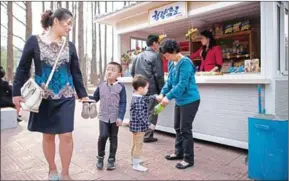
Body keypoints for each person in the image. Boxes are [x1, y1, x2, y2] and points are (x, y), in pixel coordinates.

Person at [12, 8, 89, 180]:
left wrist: (83, 95)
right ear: (55, 21)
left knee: (66, 135)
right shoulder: (34, 41)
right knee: (48, 135)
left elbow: (76, 72)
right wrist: (16, 92)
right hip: (43, 97)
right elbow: (23, 67)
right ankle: (52, 169)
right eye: (68, 23)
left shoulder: (69, 46)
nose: (70, 28)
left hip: (66, 95)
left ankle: (66, 173)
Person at [159, 39, 200, 169]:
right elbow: (170, 82)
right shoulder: (172, 63)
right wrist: (162, 93)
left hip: (190, 100)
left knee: (185, 129)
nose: (166, 58)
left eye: (167, 55)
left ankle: (188, 159)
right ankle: (178, 152)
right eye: (164, 56)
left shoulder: (185, 63)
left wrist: (168, 97)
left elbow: (181, 85)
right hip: (180, 100)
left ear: (175, 51)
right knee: (177, 128)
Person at [90, 62, 127, 170]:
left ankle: (111, 159)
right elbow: (95, 98)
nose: (109, 71)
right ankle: (100, 157)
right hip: (103, 117)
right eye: (108, 69)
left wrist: (120, 117)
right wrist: (83, 97)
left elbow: (123, 103)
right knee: (103, 136)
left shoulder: (121, 87)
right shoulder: (101, 85)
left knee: (113, 138)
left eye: (113, 70)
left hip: (115, 118)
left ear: (119, 74)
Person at [131, 34, 165, 143]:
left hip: (139, 89)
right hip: (151, 89)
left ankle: (140, 133)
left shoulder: (137, 56)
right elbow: (159, 75)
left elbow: (133, 73)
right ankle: (148, 135)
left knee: (141, 111)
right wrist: (162, 91)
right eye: (158, 43)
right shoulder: (155, 56)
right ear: (154, 43)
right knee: (152, 112)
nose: (159, 45)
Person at [130, 74, 161, 172]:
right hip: (139, 127)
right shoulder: (138, 100)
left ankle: (134, 159)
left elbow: (146, 99)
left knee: (135, 144)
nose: (148, 90)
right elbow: (141, 116)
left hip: (135, 127)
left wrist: (154, 97)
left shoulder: (137, 97)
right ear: (140, 88)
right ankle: (135, 164)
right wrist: (149, 125)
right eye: (147, 88)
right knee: (138, 144)